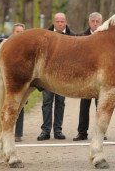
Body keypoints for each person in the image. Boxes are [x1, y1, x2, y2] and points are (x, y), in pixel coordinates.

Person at [37, 12, 75, 141]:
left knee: (60, 102)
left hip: (64, 76)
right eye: (57, 21)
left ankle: (58, 130)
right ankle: (45, 130)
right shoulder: (44, 36)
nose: (60, 23)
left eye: (62, 21)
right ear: (54, 22)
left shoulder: (73, 37)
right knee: (46, 102)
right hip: (47, 75)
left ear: (66, 22)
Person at [0, 23, 26, 142]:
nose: (20, 34)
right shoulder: (5, 46)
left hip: (20, 82)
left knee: (20, 107)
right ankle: (3, 132)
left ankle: (18, 133)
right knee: (8, 106)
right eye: (18, 32)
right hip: (6, 80)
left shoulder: (26, 48)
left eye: (22, 32)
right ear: (13, 33)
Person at [73, 12, 103, 141]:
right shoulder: (81, 36)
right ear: (89, 22)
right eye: (93, 21)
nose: (95, 24)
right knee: (84, 105)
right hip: (85, 76)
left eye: (97, 21)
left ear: (101, 23)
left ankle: (100, 131)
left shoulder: (105, 37)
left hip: (100, 75)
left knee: (100, 105)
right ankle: (82, 132)